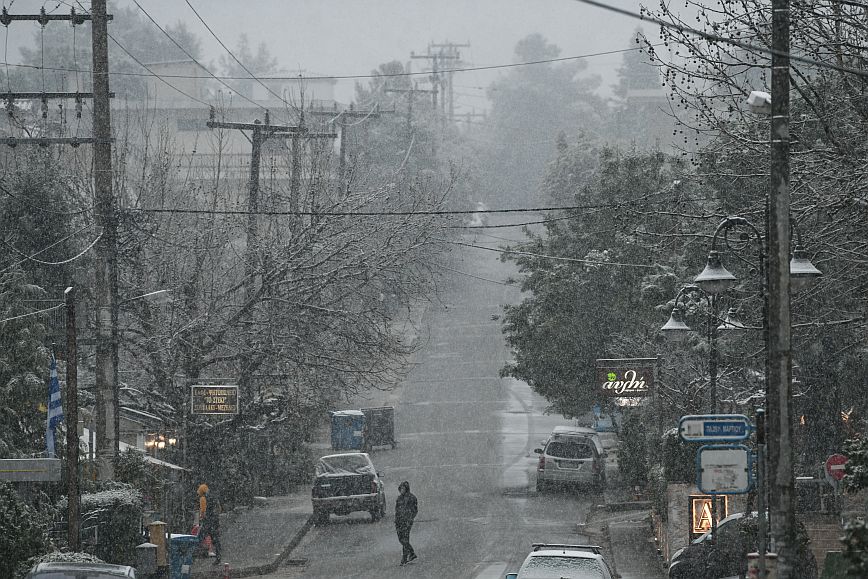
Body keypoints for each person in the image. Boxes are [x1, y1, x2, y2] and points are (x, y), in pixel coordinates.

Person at [197, 483, 222, 564]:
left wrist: (202, 517)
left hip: (207, 521)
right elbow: (219, 508)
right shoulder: (214, 497)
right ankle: (218, 557)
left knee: (200, 537)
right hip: (215, 521)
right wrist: (215, 516)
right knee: (215, 539)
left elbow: (203, 511)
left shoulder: (203, 498)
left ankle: (195, 554)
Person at [394, 480, 418, 566]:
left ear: (407, 489)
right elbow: (397, 510)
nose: (402, 490)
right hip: (399, 522)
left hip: (407, 522)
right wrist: (396, 519)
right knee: (401, 539)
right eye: (401, 488)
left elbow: (415, 510)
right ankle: (411, 553)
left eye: (403, 488)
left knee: (405, 539)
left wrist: (410, 518)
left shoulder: (412, 498)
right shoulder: (399, 498)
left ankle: (404, 559)